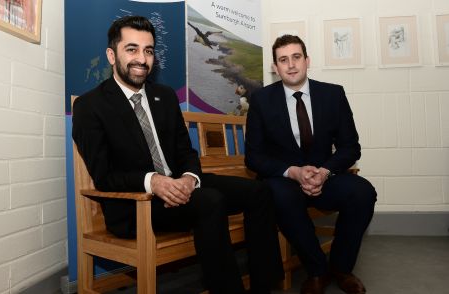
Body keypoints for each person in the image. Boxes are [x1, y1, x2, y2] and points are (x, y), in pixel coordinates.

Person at [72, 15, 284, 294]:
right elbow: (104, 175)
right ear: (112, 55)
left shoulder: (164, 96)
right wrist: (154, 182)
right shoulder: (91, 106)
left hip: (182, 187)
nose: (142, 59)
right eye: (132, 49)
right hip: (138, 205)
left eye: (148, 51)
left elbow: (186, 151)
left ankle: (264, 286)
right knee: (210, 201)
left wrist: (189, 178)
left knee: (260, 191)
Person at [245, 35, 376, 294]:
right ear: (275, 67)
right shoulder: (261, 100)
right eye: (283, 60)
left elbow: (351, 147)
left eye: (296, 57)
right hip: (286, 181)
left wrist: (325, 172)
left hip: (324, 177)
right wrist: (293, 172)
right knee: (278, 194)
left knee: (363, 192)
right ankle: (317, 270)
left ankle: (341, 268)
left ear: (307, 61)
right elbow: (254, 157)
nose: (291, 65)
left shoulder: (332, 94)